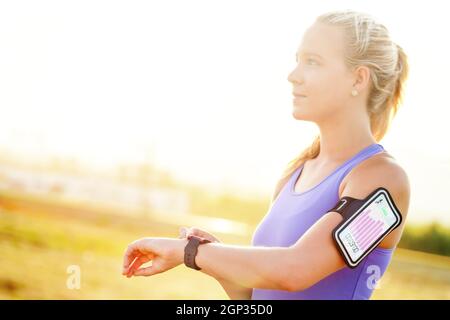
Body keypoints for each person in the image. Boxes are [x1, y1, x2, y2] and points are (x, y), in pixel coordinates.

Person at [121, 9, 410, 300]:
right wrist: (213, 259)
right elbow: (255, 296)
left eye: (313, 62)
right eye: (298, 60)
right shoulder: (294, 173)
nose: (293, 75)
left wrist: (192, 252)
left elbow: (296, 271)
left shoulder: (385, 181)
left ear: (358, 80)